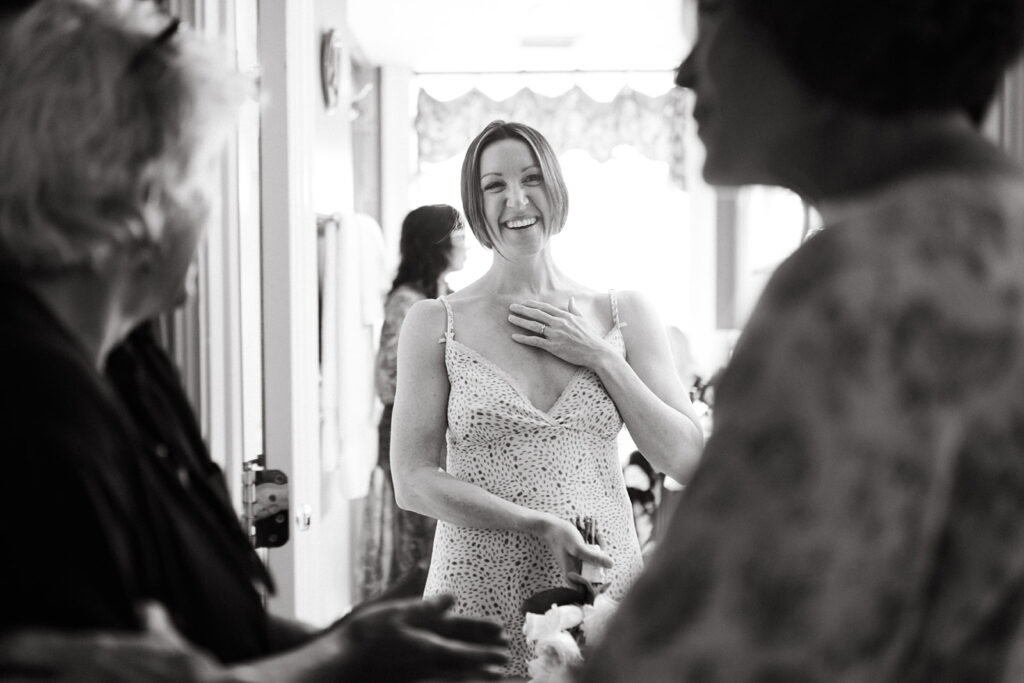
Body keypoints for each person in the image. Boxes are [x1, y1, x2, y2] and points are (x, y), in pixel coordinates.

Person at [0, 1, 507, 681]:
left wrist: (351, 635)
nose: (211, 210)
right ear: (142, 199)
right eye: (204, 176)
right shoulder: (31, 406)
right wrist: (340, 658)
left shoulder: (134, 368)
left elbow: (209, 627)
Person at [581, 0, 1024, 680]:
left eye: (713, 24)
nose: (686, 73)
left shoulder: (861, 285)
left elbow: (707, 657)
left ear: (821, 27)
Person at [390, 120, 705, 676]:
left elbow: (684, 458)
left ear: (555, 187)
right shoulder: (435, 321)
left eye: (531, 178)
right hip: (474, 593)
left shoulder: (623, 313)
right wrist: (534, 523)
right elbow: (412, 481)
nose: (516, 199)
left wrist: (601, 357)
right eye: (494, 185)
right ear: (476, 204)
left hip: (600, 593)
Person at [359, 204, 467, 601]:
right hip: (408, 428)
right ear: (436, 244)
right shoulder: (406, 302)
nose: (466, 246)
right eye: (459, 238)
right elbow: (387, 379)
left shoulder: (452, 298)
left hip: (449, 432)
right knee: (417, 535)